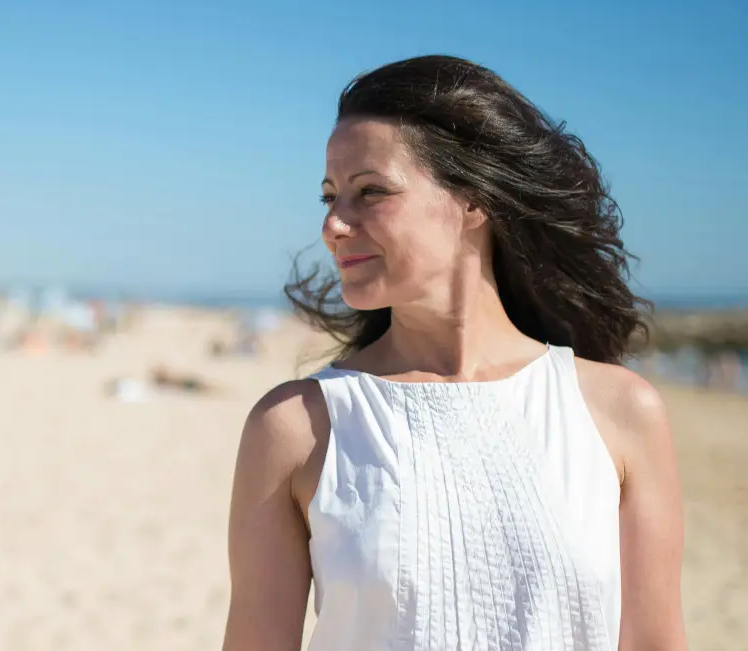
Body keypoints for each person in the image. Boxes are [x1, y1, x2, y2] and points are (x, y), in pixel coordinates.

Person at [222, 55, 686, 651]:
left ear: (473, 201)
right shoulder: (296, 427)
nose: (334, 224)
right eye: (330, 196)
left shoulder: (620, 413)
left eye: (370, 192)